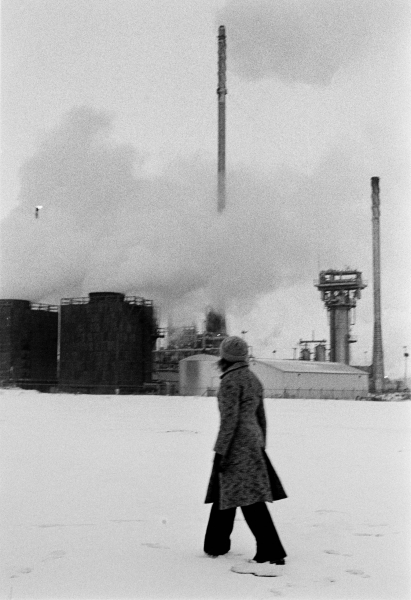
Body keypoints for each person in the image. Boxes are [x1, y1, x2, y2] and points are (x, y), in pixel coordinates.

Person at [204, 335, 287, 565]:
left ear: (225, 357)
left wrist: (221, 451)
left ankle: (271, 550)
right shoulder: (252, 378)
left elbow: (229, 421)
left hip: (236, 445)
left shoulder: (231, 381)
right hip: (252, 441)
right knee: (226, 491)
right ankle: (215, 544)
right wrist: (260, 444)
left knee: (249, 499)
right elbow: (261, 416)